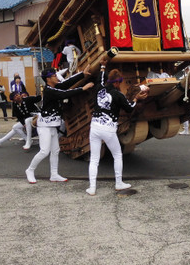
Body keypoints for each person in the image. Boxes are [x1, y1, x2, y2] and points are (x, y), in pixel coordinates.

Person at [86, 57, 148, 196]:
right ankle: (118, 183)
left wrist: (102, 66)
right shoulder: (118, 94)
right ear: (118, 82)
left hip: (95, 127)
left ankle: (92, 187)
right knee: (117, 155)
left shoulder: (99, 88)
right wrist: (136, 99)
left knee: (94, 159)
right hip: (108, 129)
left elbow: (101, 79)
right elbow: (129, 108)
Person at [25, 66, 94, 184]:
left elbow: (67, 83)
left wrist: (82, 74)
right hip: (45, 126)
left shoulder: (55, 87)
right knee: (44, 151)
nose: (57, 77)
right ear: (48, 79)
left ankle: (54, 174)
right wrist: (83, 88)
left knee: (55, 150)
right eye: (54, 76)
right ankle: (30, 170)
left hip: (53, 125)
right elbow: (65, 94)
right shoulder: (49, 90)